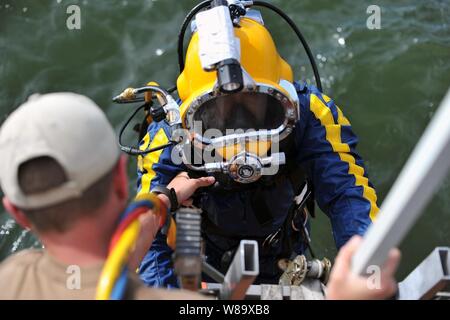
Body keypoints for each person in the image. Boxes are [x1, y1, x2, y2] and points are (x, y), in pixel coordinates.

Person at [136, 4, 380, 288]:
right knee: (183, 267)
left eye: (251, 100)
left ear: (278, 94)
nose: (239, 121)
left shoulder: (309, 115)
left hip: (283, 245)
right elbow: (146, 231)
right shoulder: (171, 135)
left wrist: (363, 265)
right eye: (221, 108)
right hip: (200, 244)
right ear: (193, 109)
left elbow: (347, 194)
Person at [0, 93, 212, 300]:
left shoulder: (10, 279)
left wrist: (164, 199)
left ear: (17, 214)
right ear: (120, 179)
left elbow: (101, 270)